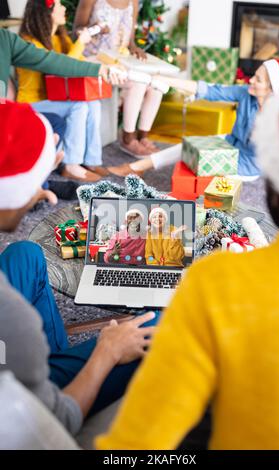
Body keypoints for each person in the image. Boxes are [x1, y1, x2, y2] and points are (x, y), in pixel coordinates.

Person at [96, 73, 279, 450]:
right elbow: (207, 88)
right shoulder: (243, 93)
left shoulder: (219, 280)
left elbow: (137, 443)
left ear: (274, 183)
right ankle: (130, 169)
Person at [0, 100, 158, 437]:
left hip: (15, 360)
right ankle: (65, 365)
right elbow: (56, 419)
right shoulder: (13, 319)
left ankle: (57, 354)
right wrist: (107, 351)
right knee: (159, 323)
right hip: (32, 405)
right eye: (36, 179)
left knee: (25, 254)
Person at [110, 59, 279, 178]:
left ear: (272, 89)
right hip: (230, 142)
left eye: (258, 79)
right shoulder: (245, 93)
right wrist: (165, 79)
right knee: (188, 146)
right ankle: (136, 167)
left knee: (201, 165)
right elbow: (209, 90)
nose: (250, 80)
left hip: (247, 163)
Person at [17, 0, 111, 183]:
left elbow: (78, 62)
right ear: (48, 12)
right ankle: (71, 165)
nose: (65, 8)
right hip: (32, 102)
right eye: (59, 5)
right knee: (78, 106)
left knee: (93, 103)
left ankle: (91, 160)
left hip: (56, 98)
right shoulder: (30, 43)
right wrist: (80, 43)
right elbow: (60, 68)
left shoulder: (60, 38)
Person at [74, 0, 166, 158]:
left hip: (120, 60)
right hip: (95, 59)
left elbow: (129, 38)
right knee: (139, 81)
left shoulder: (133, 2)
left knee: (157, 83)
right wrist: (95, 29)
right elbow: (76, 30)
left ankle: (143, 136)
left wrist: (134, 47)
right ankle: (128, 138)